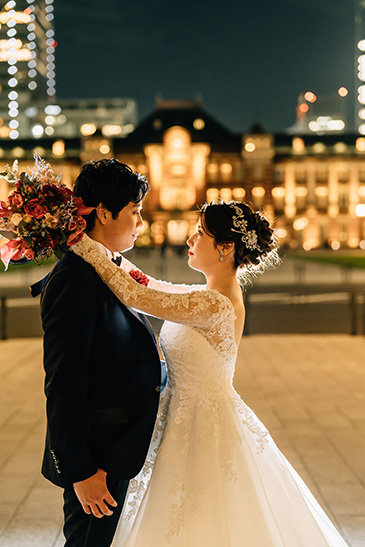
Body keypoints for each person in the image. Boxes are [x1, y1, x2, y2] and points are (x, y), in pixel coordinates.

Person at [72, 201, 348, 547]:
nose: (191, 237)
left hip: (204, 427)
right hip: (185, 421)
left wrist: (79, 242)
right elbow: (148, 282)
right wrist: (106, 252)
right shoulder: (205, 295)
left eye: (200, 232)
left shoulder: (215, 304)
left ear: (226, 247)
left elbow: (136, 294)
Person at [39, 159, 165, 547]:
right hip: (97, 457)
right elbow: (64, 381)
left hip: (117, 448)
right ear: (105, 213)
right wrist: (81, 470)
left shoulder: (103, 267)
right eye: (134, 211)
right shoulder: (74, 278)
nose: (141, 222)